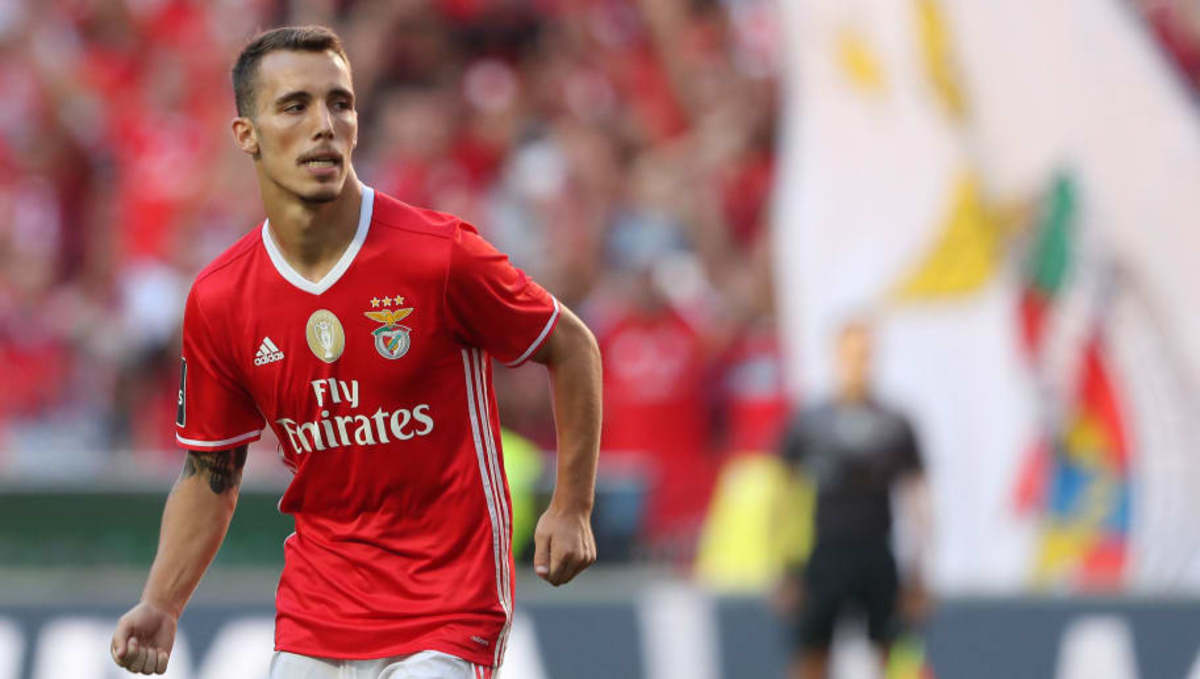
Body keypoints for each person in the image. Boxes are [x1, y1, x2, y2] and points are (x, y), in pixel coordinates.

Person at [109, 25, 602, 678]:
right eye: (296, 106)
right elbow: (211, 471)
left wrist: (572, 505)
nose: (325, 124)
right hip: (317, 613)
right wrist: (162, 602)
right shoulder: (221, 298)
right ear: (247, 135)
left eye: (339, 103)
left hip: (446, 611)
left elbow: (571, 345)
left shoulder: (438, 255)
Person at [777, 320, 931, 679]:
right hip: (826, 555)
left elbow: (917, 500)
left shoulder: (895, 422)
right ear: (835, 358)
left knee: (899, 656)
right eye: (850, 355)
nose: (857, 364)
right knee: (811, 656)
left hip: (877, 553)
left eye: (865, 355)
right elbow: (786, 498)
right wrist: (786, 566)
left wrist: (919, 569)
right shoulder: (809, 422)